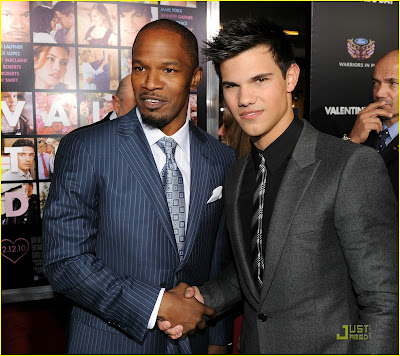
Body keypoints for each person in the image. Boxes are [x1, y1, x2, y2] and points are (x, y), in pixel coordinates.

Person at [161, 17, 398, 355]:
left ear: (290, 77)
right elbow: (257, 271)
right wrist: (203, 298)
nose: (244, 98)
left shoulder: (349, 166)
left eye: (260, 79)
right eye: (232, 85)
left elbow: (384, 304)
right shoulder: (238, 173)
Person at [42, 19, 235, 355]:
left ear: (195, 78)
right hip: (110, 343)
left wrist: (218, 340)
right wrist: (158, 304)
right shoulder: (86, 148)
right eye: (140, 68)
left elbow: (219, 260)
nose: (150, 84)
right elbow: (66, 262)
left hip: (196, 343)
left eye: (169, 70)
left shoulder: (222, 158)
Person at [345, 50, 399, 199]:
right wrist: (352, 141)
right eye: (376, 83)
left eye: (392, 83)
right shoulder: (361, 130)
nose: (379, 93)